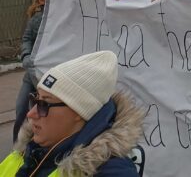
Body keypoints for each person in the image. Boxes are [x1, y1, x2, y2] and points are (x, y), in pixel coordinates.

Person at [0, 50, 143, 176]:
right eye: (34, 100)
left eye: (44, 104)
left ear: (79, 111)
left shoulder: (111, 171)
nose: (30, 114)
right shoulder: (29, 150)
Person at [14, 0, 47, 142]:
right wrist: (26, 56)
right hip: (31, 74)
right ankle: (16, 148)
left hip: (49, 77)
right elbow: (26, 39)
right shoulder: (35, 17)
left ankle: (38, 148)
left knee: (42, 115)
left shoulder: (63, 17)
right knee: (21, 110)